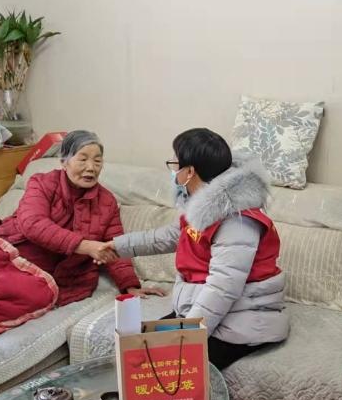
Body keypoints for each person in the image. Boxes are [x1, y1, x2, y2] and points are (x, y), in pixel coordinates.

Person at [94, 128, 288, 370]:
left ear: (190, 172)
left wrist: (188, 336)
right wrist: (118, 246)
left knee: (165, 368)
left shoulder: (237, 220)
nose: (173, 171)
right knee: (138, 351)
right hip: (214, 309)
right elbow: (170, 236)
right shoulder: (205, 206)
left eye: (175, 164)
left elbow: (223, 287)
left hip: (243, 319)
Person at [0, 130, 164, 305]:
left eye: (97, 161)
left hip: (50, 277)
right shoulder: (42, 183)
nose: (91, 167)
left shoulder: (106, 202)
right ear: (64, 162)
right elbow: (32, 223)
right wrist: (86, 246)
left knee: (3, 296)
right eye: (83, 159)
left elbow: (114, 245)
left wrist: (129, 286)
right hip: (9, 250)